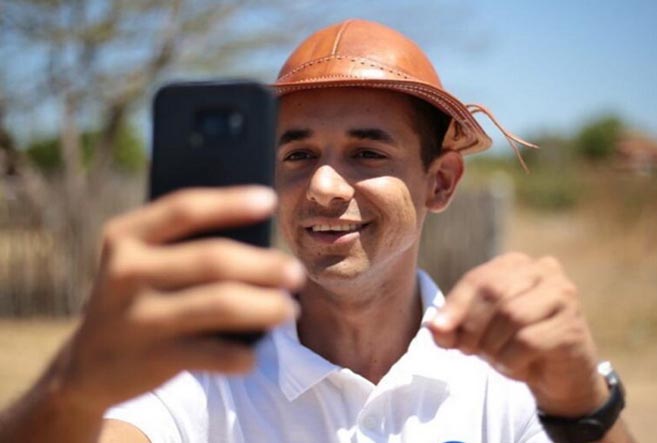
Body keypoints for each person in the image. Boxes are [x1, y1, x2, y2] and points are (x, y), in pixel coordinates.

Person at [0, 19, 635, 443]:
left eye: (367, 152)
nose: (325, 186)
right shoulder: (202, 367)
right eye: (298, 154)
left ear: (440, 183)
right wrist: (71, 387)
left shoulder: (508, 376)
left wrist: (584, 401)